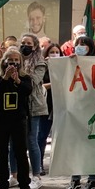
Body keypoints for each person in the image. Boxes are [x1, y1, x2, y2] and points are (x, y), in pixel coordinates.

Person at [0, 47, 33, 189]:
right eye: (10, 60)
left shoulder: (25, 77)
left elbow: (27, 91)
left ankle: (25, 187)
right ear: (4, 62)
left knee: (21, 153)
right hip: (0, 120)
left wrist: (18, 80)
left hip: (18, 120)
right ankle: (2, 187)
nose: (13, 63)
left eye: (16, 60)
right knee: (1, 154)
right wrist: (6, 78)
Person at [61, 36, 95, 189]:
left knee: (91, 146)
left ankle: (91, 180)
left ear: (90, 47)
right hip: (75, 110)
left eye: (84, 44)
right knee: (75, 146)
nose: (80, 47)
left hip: (93, 110)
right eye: (77, 44)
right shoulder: (72, 62)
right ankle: (75, 180)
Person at [16, 33, 47, 189]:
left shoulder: (40, 62)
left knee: (31, 140)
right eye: (22, 43)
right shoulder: (15, 59)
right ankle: (13, 174)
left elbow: (33, 81)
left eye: (28, 43)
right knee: (14, 141)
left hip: (33, 104)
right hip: (16, 105)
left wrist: (17, 75)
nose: (25, 46)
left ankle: (36, 175)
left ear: (35, 46)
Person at [39, 44, 62, 175]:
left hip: (60, 105)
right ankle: (39, 164)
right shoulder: (42, 67)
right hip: (46, 106)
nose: (54, 54)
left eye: (57, 52)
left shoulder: (63, 67)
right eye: (52, 52)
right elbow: (39, 85)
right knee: (41, 136)